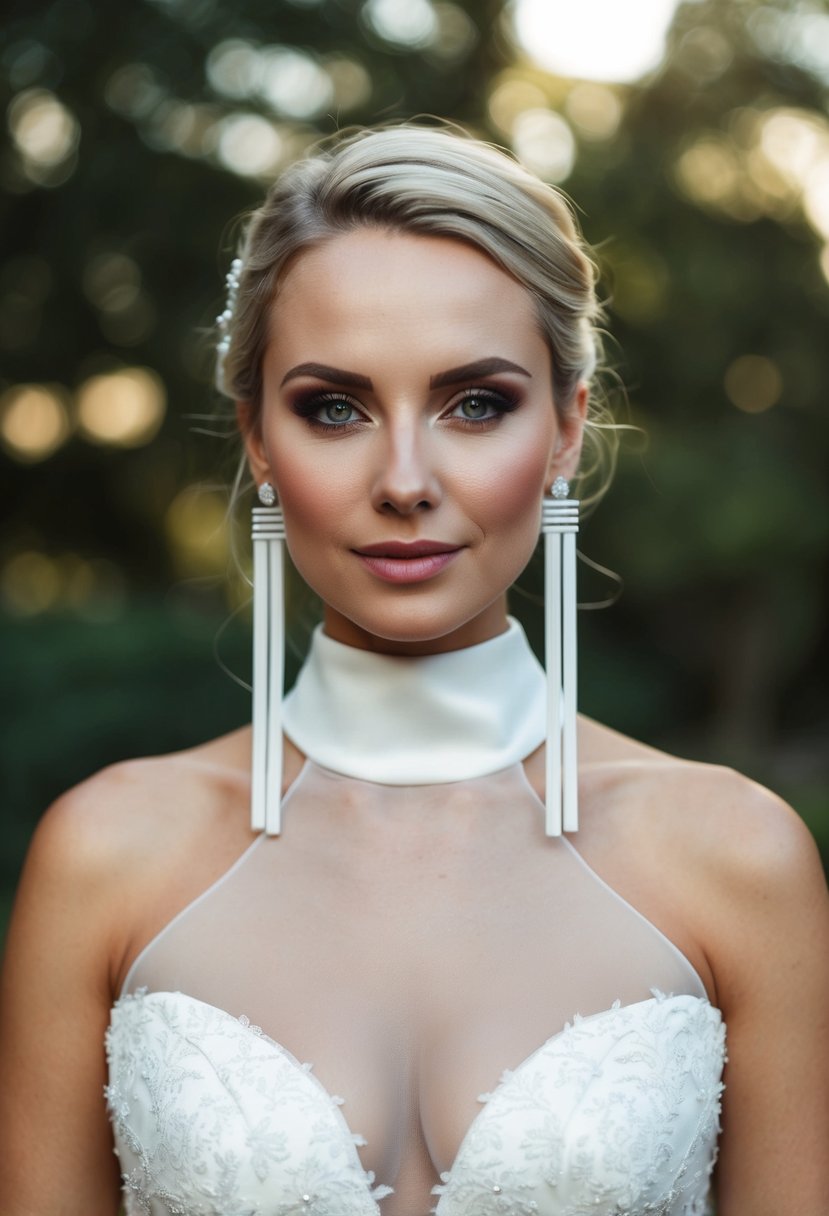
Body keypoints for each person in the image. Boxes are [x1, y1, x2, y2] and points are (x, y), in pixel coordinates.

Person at [0, 123, 827, 1216]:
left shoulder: (737, 860)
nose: (403, 478)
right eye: (332, 407)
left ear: (569, 425)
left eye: (475, 403)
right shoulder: (105, 860)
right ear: (255, 435)